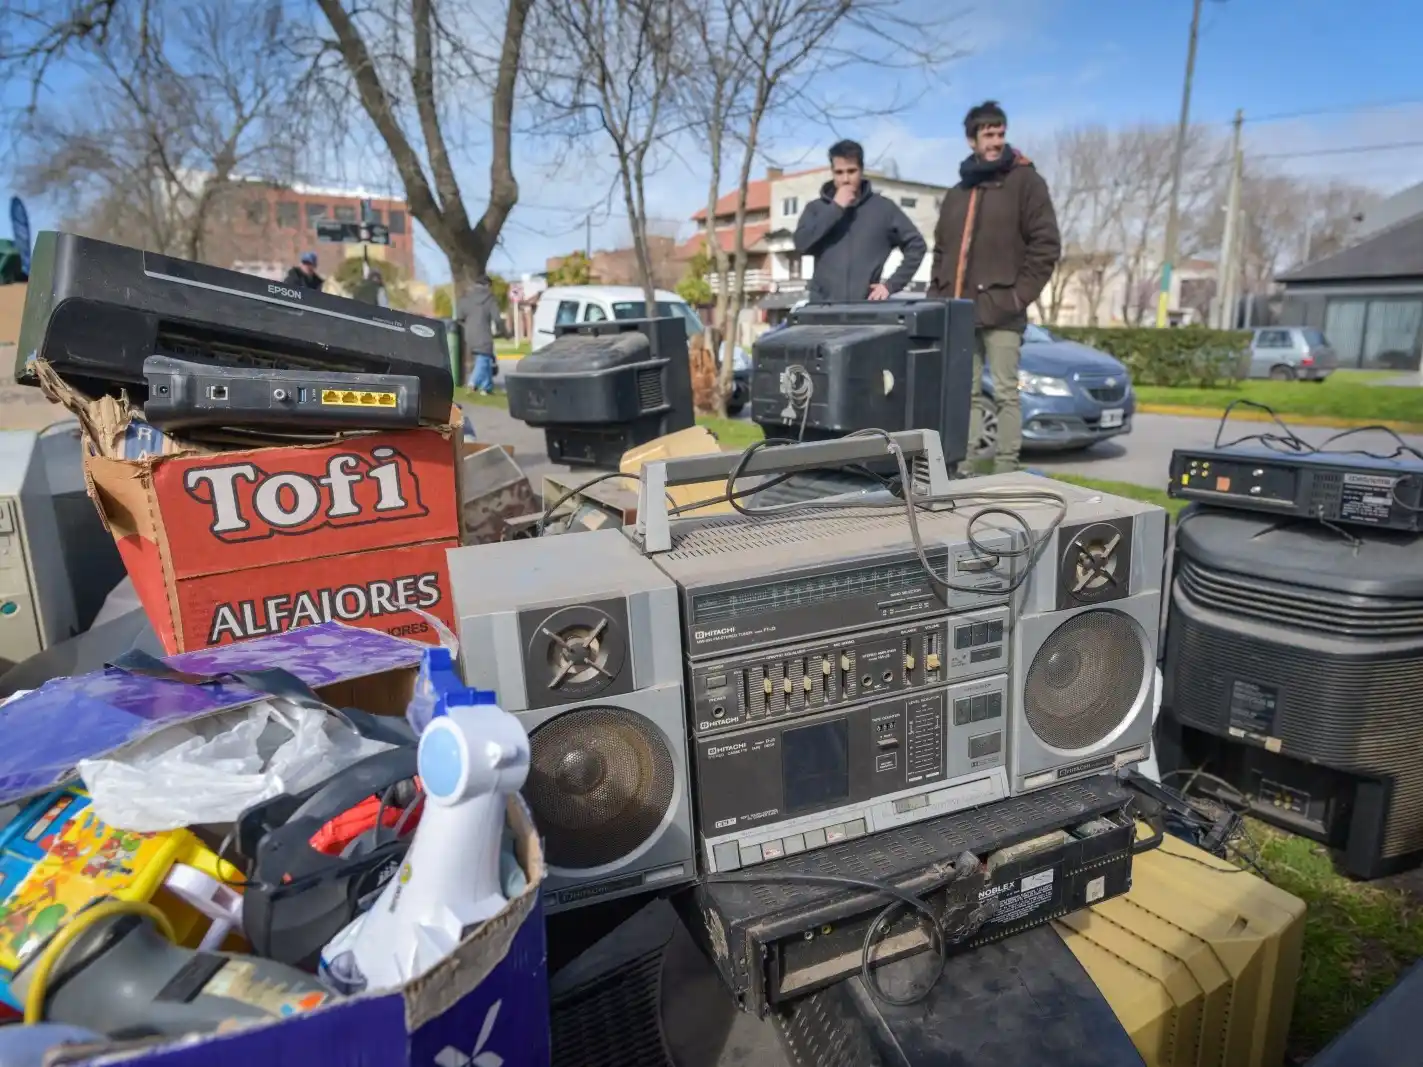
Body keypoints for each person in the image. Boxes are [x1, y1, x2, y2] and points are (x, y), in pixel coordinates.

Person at [929, 100, 1061, 474]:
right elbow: (940, 251)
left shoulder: (1026, 182)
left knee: (1005, 393)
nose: (996, 140)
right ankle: (966, 464)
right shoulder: (957, 193)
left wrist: (1019, 296)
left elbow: (1046, 245)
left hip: (1003, 308)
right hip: (959, 312)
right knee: (964, 394)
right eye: (988, 134)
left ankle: (1006, 467)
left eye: (1000, 133)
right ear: (972, 140)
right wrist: (937, 300)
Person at [793, 139, 927, 304]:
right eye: (839, 172)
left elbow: (917, 245)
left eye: (852, 171)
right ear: (832, 173)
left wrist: (891, 286)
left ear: (862, 171)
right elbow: (801, 245)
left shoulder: (883, 208)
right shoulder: (817, 209)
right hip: (823, 311)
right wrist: (835, 208)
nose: (846, 179)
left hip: (866, 310)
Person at [460, 279, 505, 395]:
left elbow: (460, 316)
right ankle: (473, 383)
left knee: (487, 359)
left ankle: (487, 388)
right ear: (488, 285)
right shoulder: (490, 299)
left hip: (469, 335)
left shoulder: (467, 298)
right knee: (484, 359)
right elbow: (497, 319)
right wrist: (502, 331)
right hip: (484, 334)